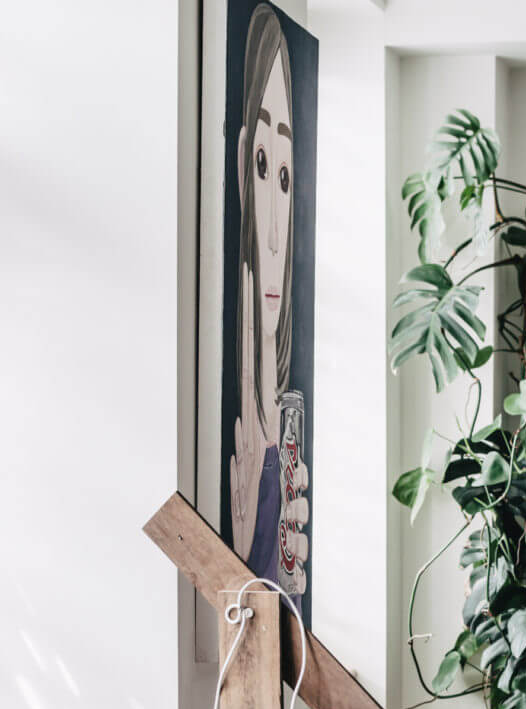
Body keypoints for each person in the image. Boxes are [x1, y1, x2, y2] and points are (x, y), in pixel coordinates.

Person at [229, 3, 309, 593]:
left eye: (286, 177)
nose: (278, 231)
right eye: (262, 165)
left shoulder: (282, 419)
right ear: (238, 171)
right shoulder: (247, 440)